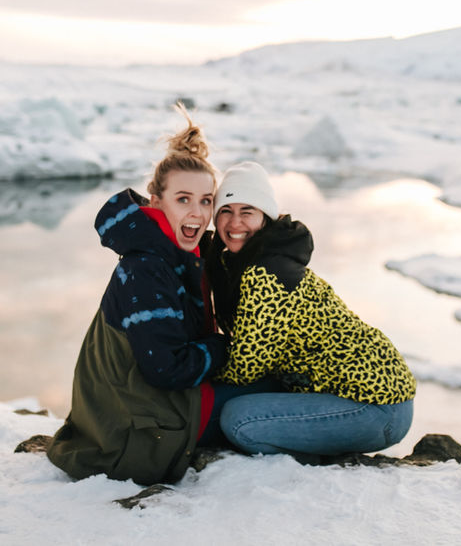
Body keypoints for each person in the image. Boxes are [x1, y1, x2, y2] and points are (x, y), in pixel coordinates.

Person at [47, 107, 229, 485]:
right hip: (139, 430)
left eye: (206, 200)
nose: (197, 213)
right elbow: (166, 369)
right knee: (267, 399)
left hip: (145, 408)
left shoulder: (180, 253)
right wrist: (223, 347)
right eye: (183, 199)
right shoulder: (147, 268)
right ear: (156, 200)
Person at [206, 161, 417, 459]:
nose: (234, 223)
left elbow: (246, 366)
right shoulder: (247, 260)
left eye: (247, 212)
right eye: (226, 211)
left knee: (239, 420)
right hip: (349, 394)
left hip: (375, 406)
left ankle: (315, 464)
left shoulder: (265, 273)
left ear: (265, 217)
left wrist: (200, 378)